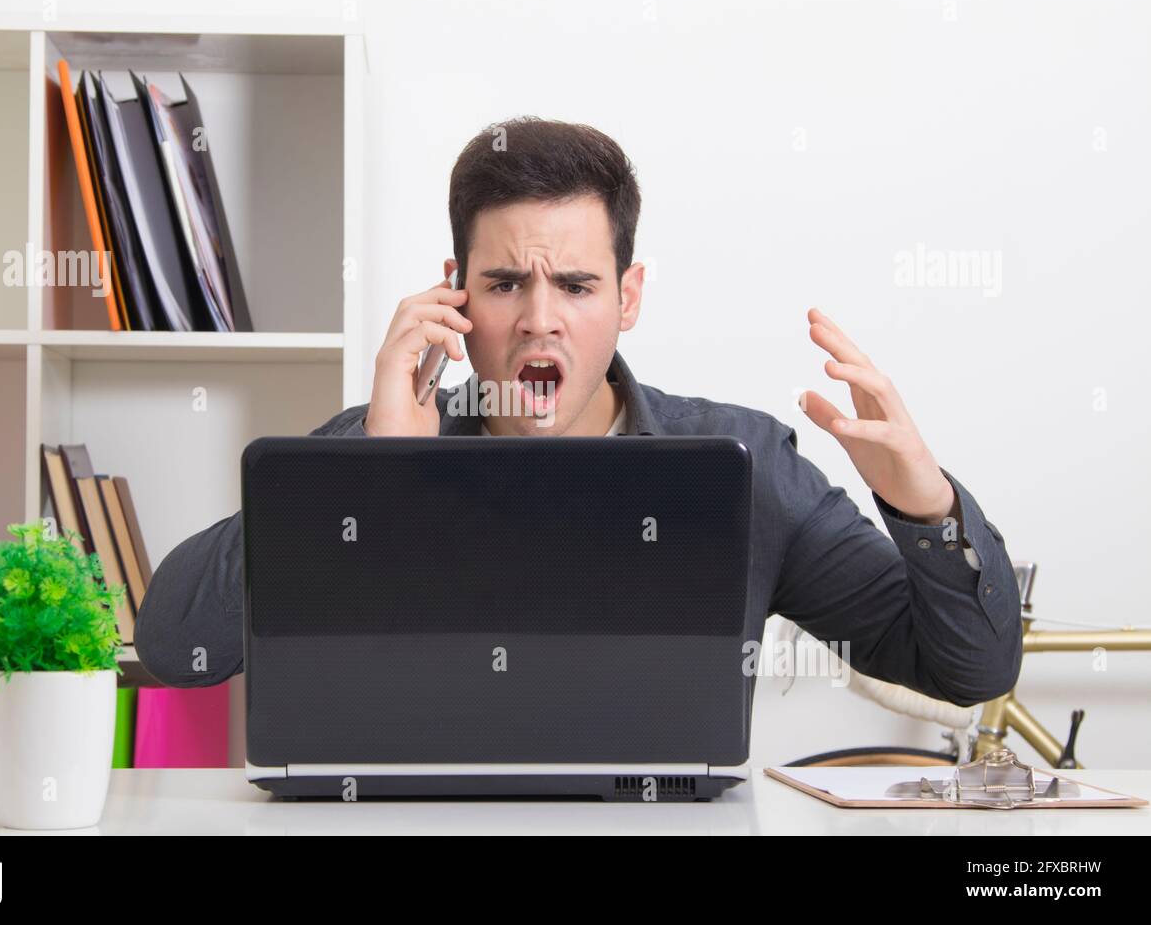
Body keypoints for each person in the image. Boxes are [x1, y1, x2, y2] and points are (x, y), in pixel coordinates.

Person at [134, 116, 1022, 706]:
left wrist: (925, 505)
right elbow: (176, 646)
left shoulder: (742, 465)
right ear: (455, 294)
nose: (539, 317)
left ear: (628, 297)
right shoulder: (380, 442)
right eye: (505, 282)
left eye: (576, 284)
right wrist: (368, 477)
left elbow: (967, 670)